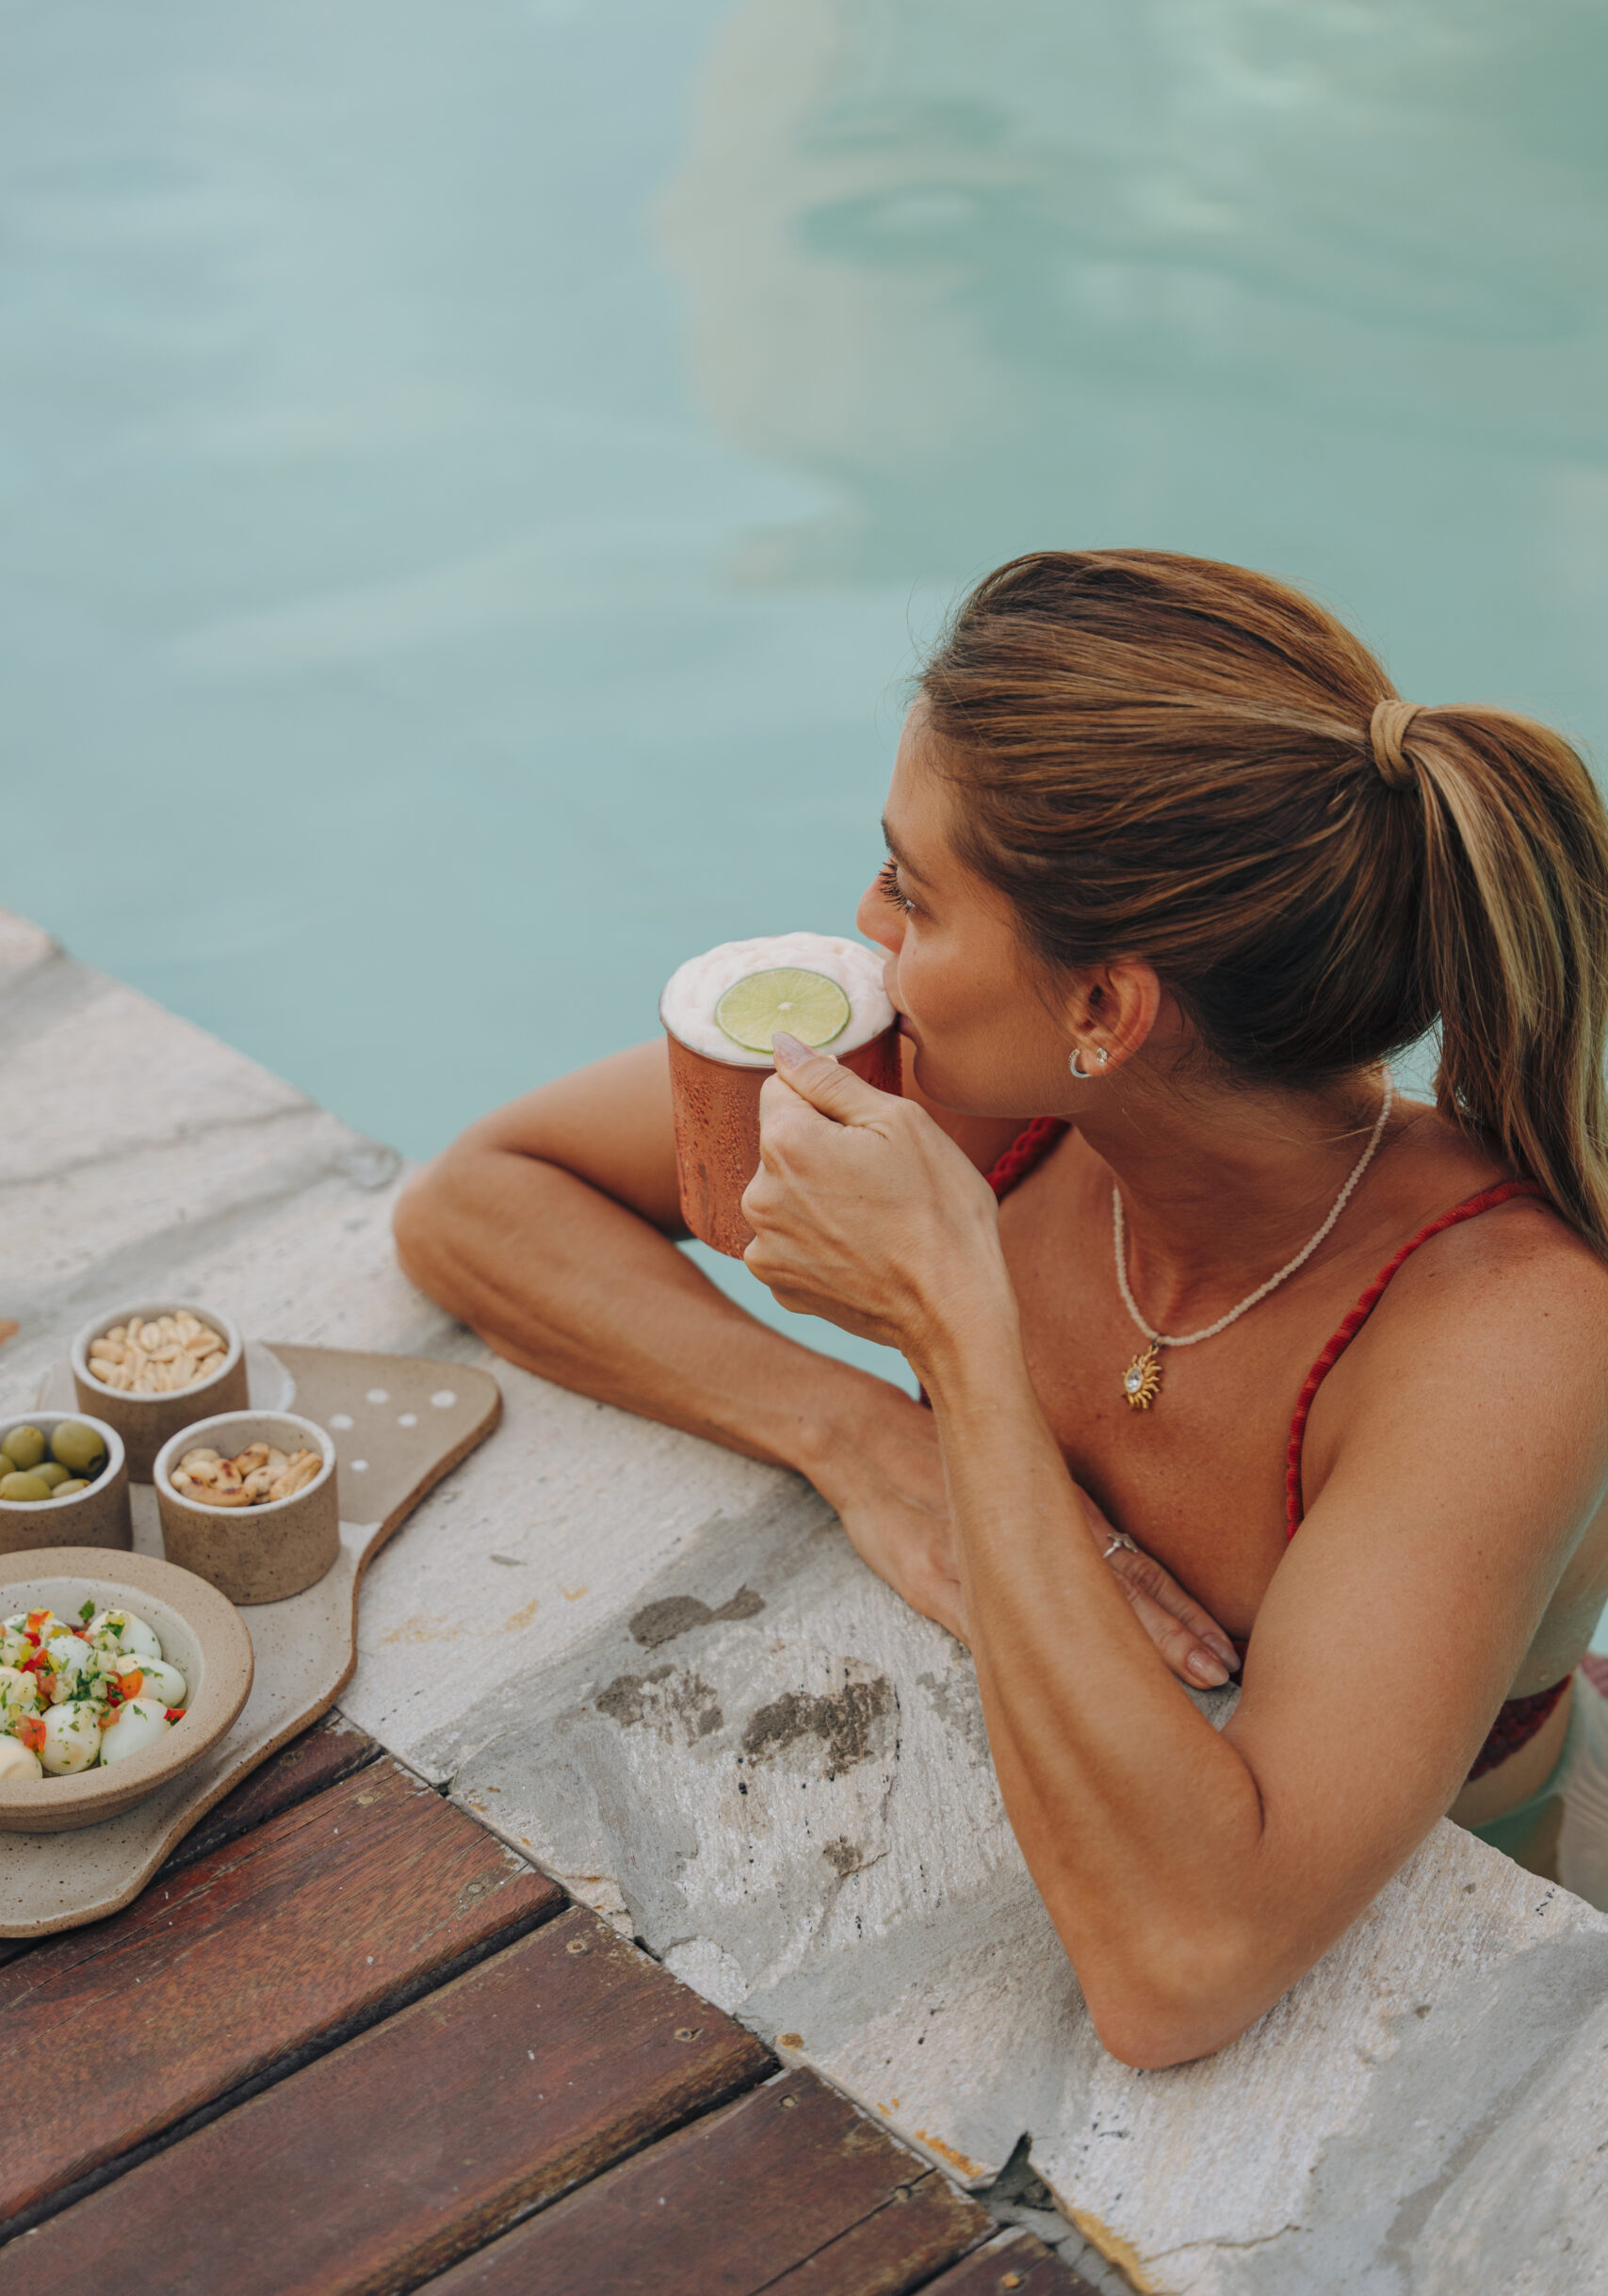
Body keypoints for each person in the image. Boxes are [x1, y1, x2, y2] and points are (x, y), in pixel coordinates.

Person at [397, 550, 1608, 2066]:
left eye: (913, 891)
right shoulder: (986, 1091)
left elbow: (1182, 1969)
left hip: (1467, 1958)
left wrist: (958, 1336)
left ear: (1104, 1007)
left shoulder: (1510, 1334)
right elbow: (477, 1202)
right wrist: (860, 1437)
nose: (867, 922)